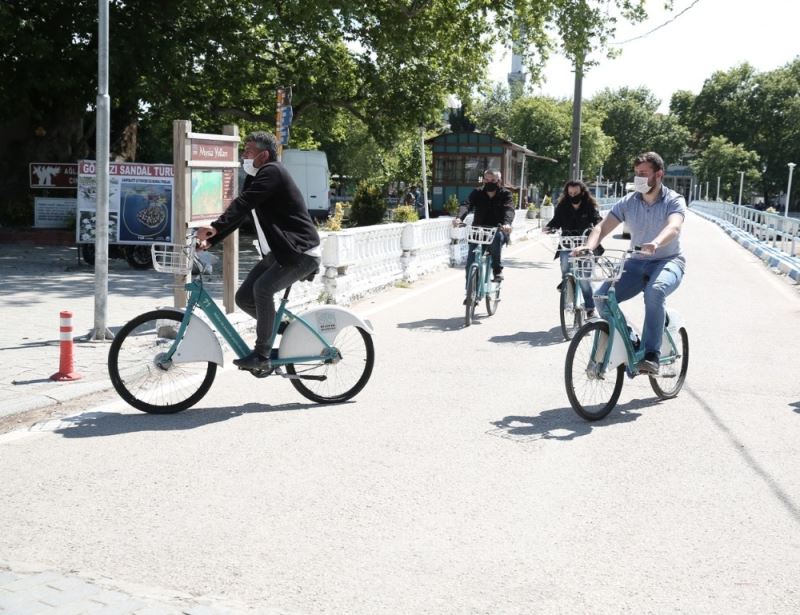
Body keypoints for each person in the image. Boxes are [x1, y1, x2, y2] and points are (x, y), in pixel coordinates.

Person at [196, 131, 321, 372]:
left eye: (249, 151)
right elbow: (242, 212)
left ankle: (262, 355)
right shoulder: (256, 177)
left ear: (264, 155)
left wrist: (214, 227)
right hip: (282, 252)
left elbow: (243, 203)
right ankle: (285, 331)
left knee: (262, 290)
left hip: (301, 252)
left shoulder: (273, 172)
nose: (244, 155)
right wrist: (214, 239)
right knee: (243, 298)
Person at [579, 151, 686, 375]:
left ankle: (651, 355)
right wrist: (589, 247)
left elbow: (674, 227)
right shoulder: (629, 201)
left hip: (668, 260)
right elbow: (602, 227)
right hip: (636, 263)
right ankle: (631, 340)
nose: (638, 178)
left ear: (659, 175)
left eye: (644, 174)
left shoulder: (673, 200)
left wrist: (656, 242)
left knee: (655, 292)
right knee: (601, 298)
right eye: (636, 173)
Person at [543, 180, 603, 318]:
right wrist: (549, 227)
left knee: (584, 279)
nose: (573, 195)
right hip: (567, 244)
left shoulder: (589, 205)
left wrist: (598, 226)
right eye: (570, 193)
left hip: (585, 244)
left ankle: (590, 309)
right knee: (565, 263)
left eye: (575, 193)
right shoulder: (563, 205)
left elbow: (597, 219)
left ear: (582, 192)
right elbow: (556, 221)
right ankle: (567, 283)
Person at [452, 169, 514, 291]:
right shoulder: (478, 192)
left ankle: (497, 270)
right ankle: (470, 292)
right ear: (483, 180)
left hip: (498, 229)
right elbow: (467, 205)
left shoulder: (505, 194)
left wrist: (507, 223)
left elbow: (509, 209)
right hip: (478, 231)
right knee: (470, 262)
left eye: (493, 180)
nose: (489, 182)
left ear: (499, 181)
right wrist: (459, 218)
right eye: (486, 180)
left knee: (496, 238)